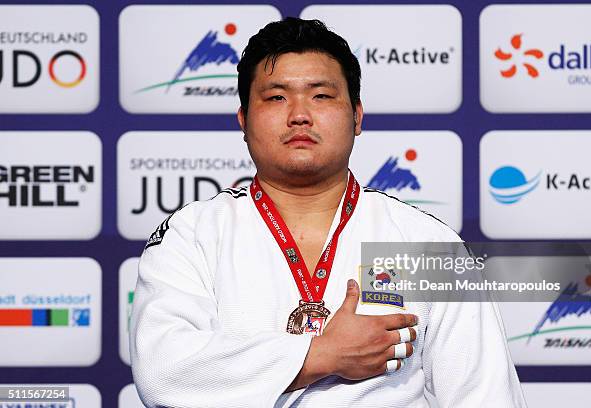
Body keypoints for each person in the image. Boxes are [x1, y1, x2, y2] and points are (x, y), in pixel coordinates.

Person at [130, 17, 526, 407]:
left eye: (320, 95)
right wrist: (322, 354)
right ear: (243, 121)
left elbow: (487, 395)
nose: (299, 114)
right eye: (276, 97)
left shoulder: (424, 242)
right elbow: (164, 374)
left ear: (357, 116)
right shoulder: (193, 235)